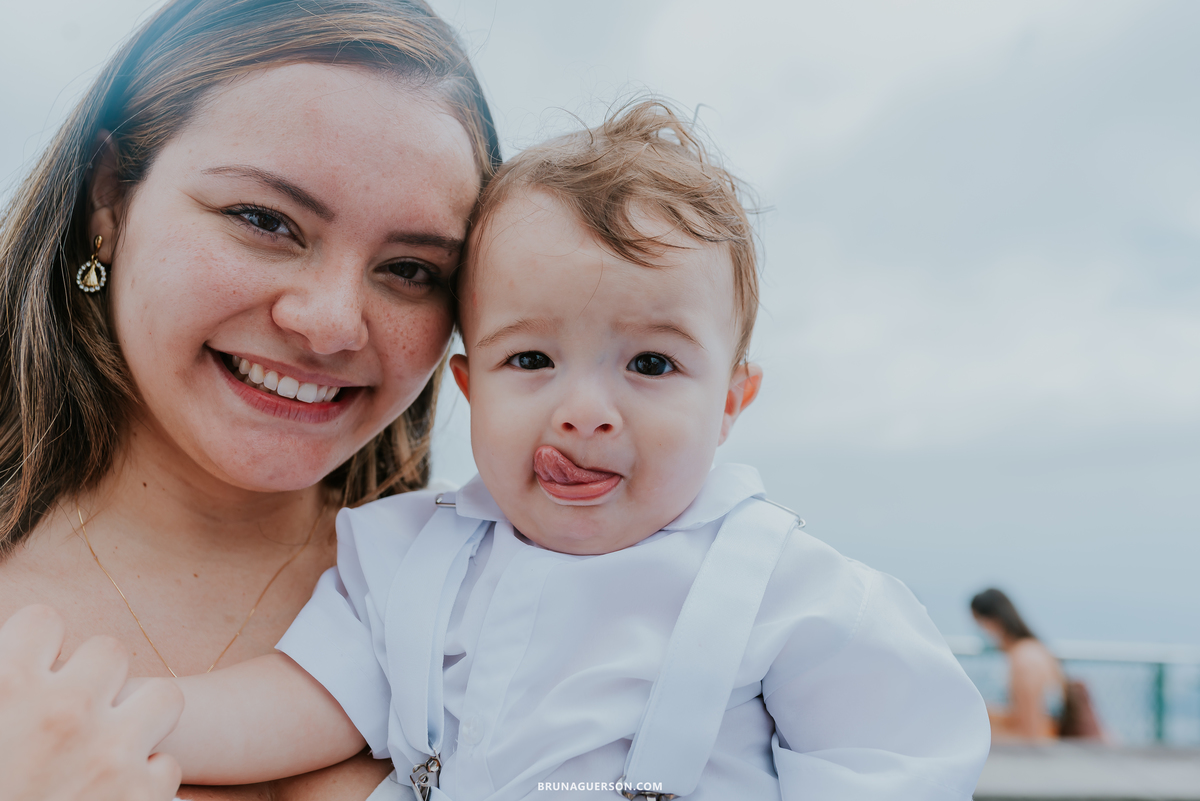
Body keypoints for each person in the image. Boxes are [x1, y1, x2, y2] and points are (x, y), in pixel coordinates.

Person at [148, 101, 991, 800]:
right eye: (532, 360)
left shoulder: (796, 592)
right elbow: (302, 699)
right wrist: (133, 716)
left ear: (731, 401)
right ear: (472, 389)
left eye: (651, 363)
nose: (584, 412)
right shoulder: (410, 558)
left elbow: (899, 763)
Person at [0, 1, 499, 799]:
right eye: (265, 220)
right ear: (108, 198)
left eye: (410, 270)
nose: (332, 323)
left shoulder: (484, 608)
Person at [970, 588, 1067, 741]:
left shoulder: (1024, 660)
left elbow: (1030, 733)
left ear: (993, 621)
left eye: (979, 624)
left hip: (1038, 753)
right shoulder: (1033, 650)